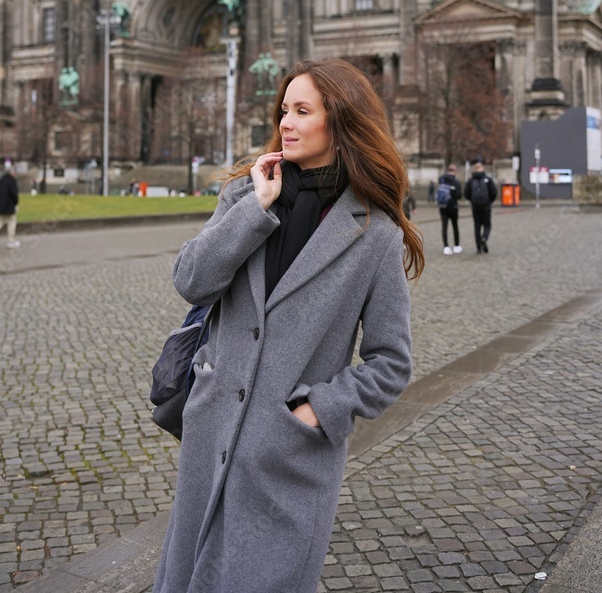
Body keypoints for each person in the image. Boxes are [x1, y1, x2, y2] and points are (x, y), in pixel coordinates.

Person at [151, 58, 424, 593]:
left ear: (340, 124)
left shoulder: (374, 232)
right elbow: (191, 281)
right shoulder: (245, 195)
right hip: (210, 437)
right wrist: (254, 211)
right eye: (284, 110)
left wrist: (318, 411)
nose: (286, 123)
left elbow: (392, 362)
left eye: (303, 111)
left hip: (288, 454)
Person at [464, 162, 497, 255]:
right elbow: (494, 192)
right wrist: (489, 201)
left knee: (477, 226)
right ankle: (484, 238)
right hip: (486, 206)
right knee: (487, 225)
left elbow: (466, 193)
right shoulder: (488, 179)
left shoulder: (470, 180)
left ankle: (478, 248)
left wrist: (472, 201)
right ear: (483, 169)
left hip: (475, 207)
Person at [436, 163, 463, 255]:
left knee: (444, 226)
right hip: (453, 207)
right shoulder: (456, 182)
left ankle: (446, 247)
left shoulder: (441, 179)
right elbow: (459, 196)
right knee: (455, 226)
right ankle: (456, 246)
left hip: (443, 207)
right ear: (454, 171)